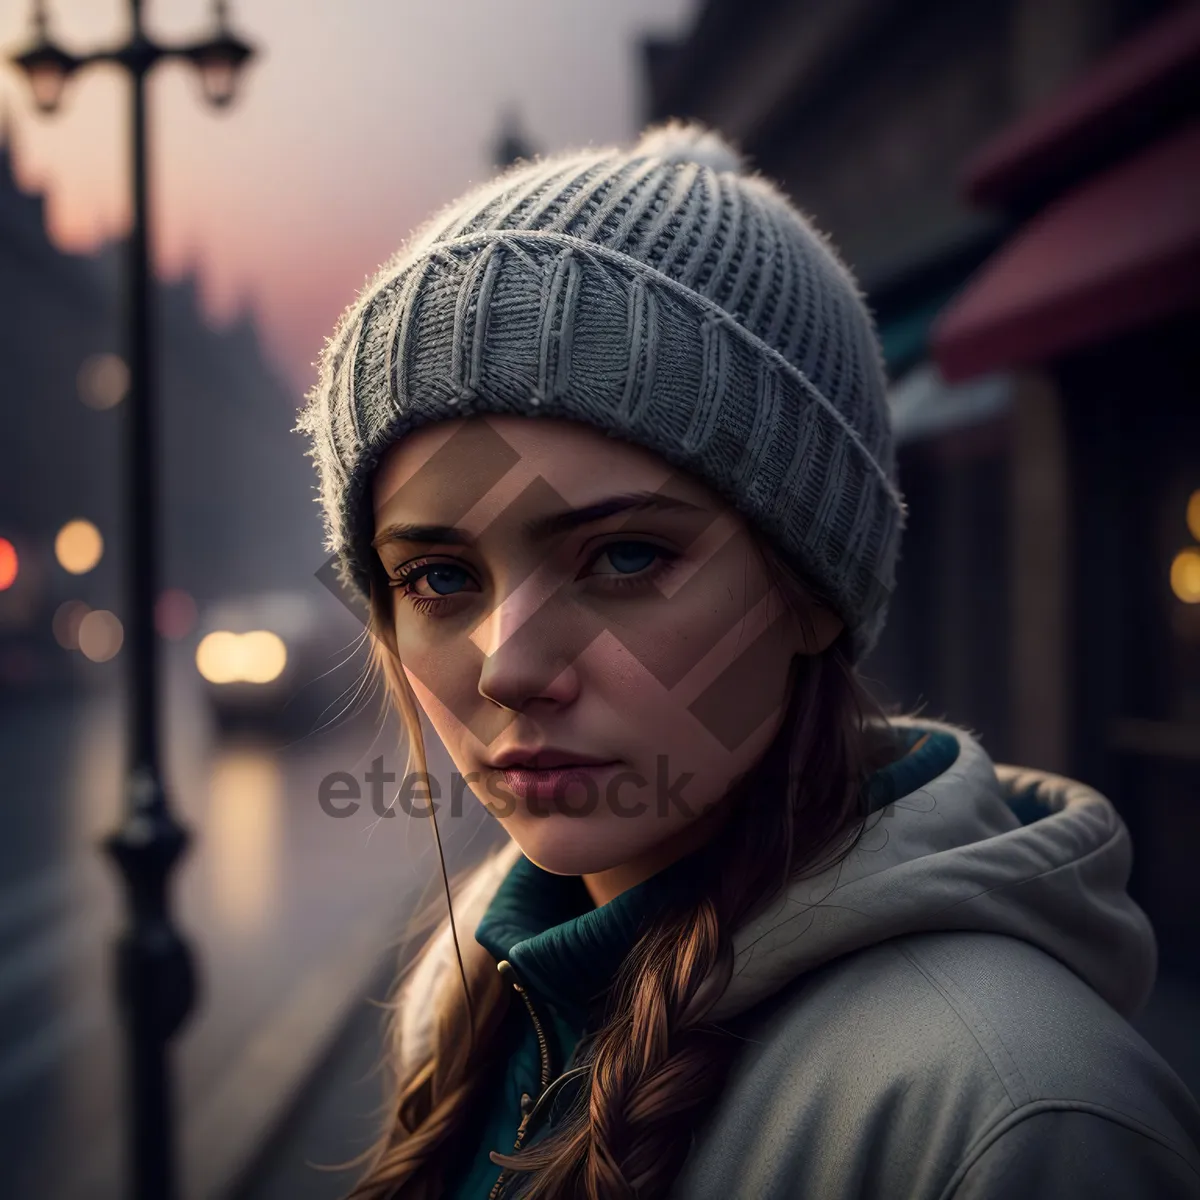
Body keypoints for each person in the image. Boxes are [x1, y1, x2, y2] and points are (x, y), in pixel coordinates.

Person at [295, 120, 1200, 1199]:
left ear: (809, 593)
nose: (509, 667)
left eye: (624, 556)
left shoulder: (1008, 1118)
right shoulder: (472, 987)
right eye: (438, 578)